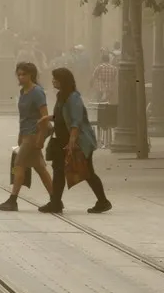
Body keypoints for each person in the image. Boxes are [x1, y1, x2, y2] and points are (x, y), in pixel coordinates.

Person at [37, 67, 111, 214]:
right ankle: (56, 203)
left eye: (55, 78)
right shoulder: (61, 96)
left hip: (78, 142)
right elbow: (62, 116)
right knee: (58, 171)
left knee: (88, 172)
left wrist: (72, 141)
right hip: (61, 140)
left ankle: (103, 201)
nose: (53, 81)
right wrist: (48, 118)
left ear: (63, 81)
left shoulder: (74, 97)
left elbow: (76, 121)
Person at [0, 62, 53, 211]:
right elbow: (24, 117)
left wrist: (40, 138)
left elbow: (45, 118)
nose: (21, 77)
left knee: (19, 164)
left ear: (31, 75)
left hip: (34, 134)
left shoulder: (37, 92)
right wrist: (20, 135)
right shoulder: (23, 92)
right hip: (26, 133)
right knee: (40, 168)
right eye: (19, 74)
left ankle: (13, 200)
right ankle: (56, 199)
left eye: (24, 74)